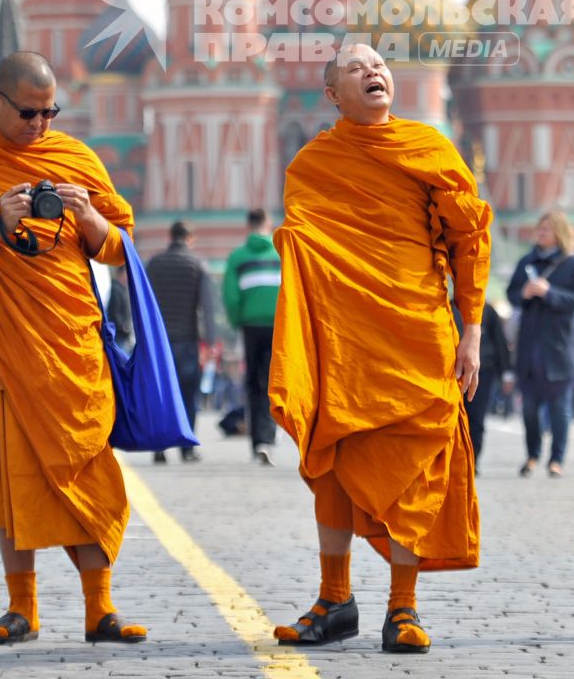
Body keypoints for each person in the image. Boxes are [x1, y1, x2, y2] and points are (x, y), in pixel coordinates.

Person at [269, 44, 491, 654]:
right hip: (345, 342)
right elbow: (307, 246)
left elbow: (470, 239)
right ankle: (334, 598)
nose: (373, 72)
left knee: (415, 465)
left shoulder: (429, 149)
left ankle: (403, 607)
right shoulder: (313, 164)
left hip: (416, 330)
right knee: (334, 460)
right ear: (332, 96)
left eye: (380, 65)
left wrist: (471, 331)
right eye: (355, 69)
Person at [0, 51, 146, 646]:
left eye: (50, 112)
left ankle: (101, 609)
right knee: (13, 480)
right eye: (28, 112)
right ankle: (22, 607)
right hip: (6, 349)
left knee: (88, 467)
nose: (40, 125)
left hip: (72, 344)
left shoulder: (75, 158)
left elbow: (118, 247)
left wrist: (89, 216)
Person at [508, 210, 574, 477]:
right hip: (530, 347)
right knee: (529, 410)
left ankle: (556, 459)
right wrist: (523, 293)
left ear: (560, 233)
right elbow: (512, 294)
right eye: (540, 228)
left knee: (559, 410)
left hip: (561, 349)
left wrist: (550, 293)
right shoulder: (526, 262)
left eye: (546, 229)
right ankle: (532, 455)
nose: (541, 233)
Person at [144, 221, 214, 463]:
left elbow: (142, 300)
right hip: (187, 340)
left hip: (159, 342)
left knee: (161, 393)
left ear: (169, 236)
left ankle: (159, 447)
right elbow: (207, 305)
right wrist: (211, 339)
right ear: (190, 239)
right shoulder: (197, 265)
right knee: (187, 395)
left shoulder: (154, 264)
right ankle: (186, 447)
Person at [222, 209, 281, 465]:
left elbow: (231, 296)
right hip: (278, 325)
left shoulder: (238, 257)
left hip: (250, 326)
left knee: (254, 383)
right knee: (273, 382)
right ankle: (268, 438)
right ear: (268, 224)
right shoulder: (281, 254)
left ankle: (257, 442)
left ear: (249, 225)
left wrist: (238, 320)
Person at [454, 299, 510, 469]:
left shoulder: (487, 310)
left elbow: (499, 341)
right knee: (452, 420)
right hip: (451, 372)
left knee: (476, 419)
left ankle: (472, 461)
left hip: (482, 372)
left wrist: (506, 372)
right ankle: (455, 463)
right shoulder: (445, 307)